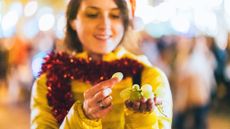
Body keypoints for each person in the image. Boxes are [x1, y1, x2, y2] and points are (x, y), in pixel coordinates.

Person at [30, 0, 172, 129]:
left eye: (115, 15)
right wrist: (84, 117)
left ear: (125, 22)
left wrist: (143, 117)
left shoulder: (150, 77)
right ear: (73, 20)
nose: (105, 25)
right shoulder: (49, 81)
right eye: (92, 14)